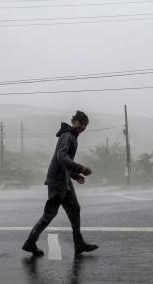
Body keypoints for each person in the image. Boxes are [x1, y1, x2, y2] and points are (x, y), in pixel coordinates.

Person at [23, 110, 98, 257]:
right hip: (58, 181)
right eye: (80, 123)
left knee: (74, 209)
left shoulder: (72, 137)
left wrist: (75, 175)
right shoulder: (67, 135)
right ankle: (30, 242)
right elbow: (61, 157)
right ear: (74, 121)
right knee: (50, 213)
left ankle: (79, 244)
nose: (82, 127)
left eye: (85, 126)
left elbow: (64, 163)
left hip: (64, 180)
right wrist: (81, 168)